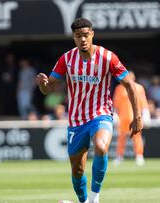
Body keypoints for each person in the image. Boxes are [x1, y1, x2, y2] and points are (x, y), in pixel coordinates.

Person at [36, 18, 143, 203]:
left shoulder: (108, 57)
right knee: (77, 171)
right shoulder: (66, 59)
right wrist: (43, 85)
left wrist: (138, 116)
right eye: (78, 36)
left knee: (102, 147)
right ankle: (84, 201)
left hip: (101, 114)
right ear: (74, 37)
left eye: (86, 35)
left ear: (92, 34)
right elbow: (49, 88)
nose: (83, 39)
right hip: (76, 121)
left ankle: (95, 198)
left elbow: (131, 86)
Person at [113, 71, 150, 166]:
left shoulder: (139, 88)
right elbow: (115, 104)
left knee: (137, 136)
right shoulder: (119, 88)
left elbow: (143, 102)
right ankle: (119, 156)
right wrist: (115, 114)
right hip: (123, 117)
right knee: (121, 137)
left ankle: (139, 156)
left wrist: (146, 114)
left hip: (135, 117)